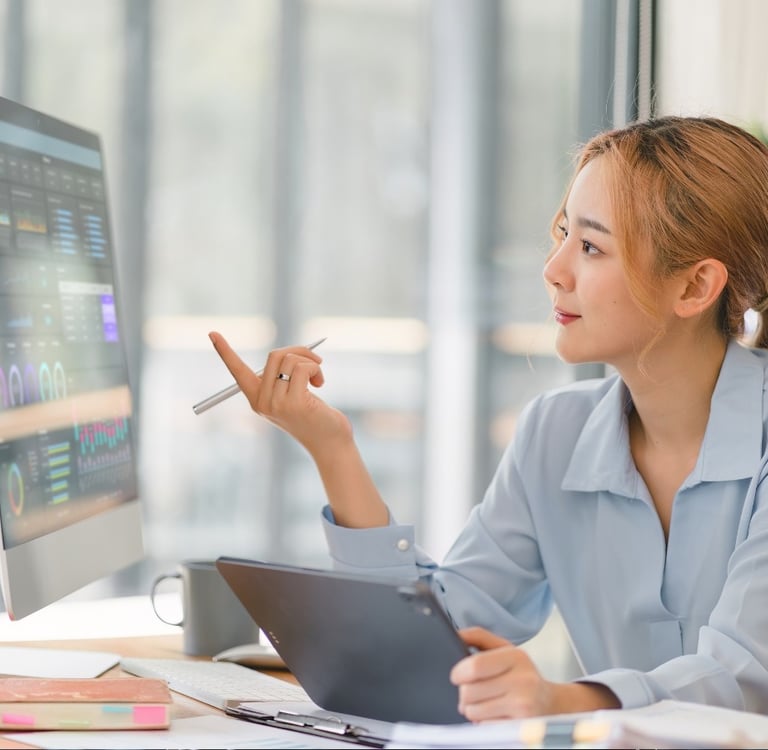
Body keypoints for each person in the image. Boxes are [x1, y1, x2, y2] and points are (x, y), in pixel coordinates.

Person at [208, 116, 768, 721]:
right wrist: (331, 446)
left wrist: (561, 700)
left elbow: (746, 677)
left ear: (696, 286)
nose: (553, 270)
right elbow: (438, 633)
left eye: (590, 246)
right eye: (562, 235)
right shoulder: (555, 434)